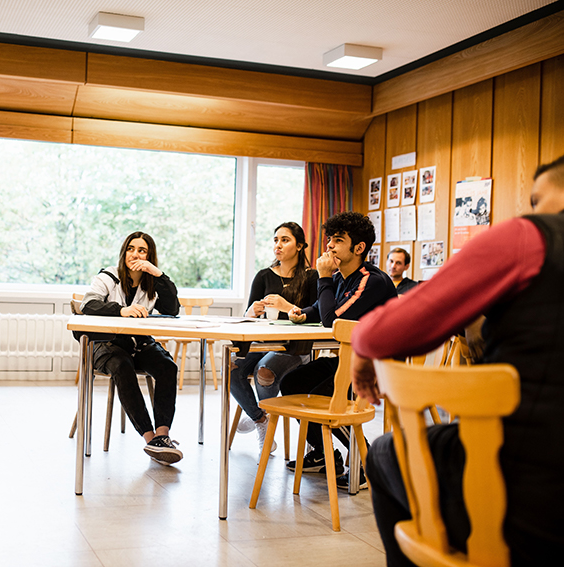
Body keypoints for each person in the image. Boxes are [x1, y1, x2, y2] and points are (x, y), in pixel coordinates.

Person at [351, 155, 564, 567]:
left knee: (382, 452)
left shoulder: (531, 237)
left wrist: (363, 345)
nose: (532, 211)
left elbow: (386, 329)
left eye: (537, 201)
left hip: (526, 501)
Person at [282, 211, 396, 487]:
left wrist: (322, 278)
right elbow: (324, 308)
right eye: (330, 239)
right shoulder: (344, 276)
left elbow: (334, 320)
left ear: (359, 248)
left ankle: (365, 462)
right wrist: (304, 312)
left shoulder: (371, 281)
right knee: (292, 383)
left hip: (378, 366)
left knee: (322, 395)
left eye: (338, 240)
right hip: (353, 358)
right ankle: (323, 455)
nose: (329, 245)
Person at [80, 231, 183, 465]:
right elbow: (88, 304)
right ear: (124, 252)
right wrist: (120, 310)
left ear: (150, 256)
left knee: (168, 367)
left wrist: (158, 274)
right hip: (107, 345)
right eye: (131, 248)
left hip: (139, 344)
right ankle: (150, 439)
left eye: (142, 250)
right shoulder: (109, 275)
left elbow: (172, 309)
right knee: (122, 366)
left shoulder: (152, 282)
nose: (135, 254)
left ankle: (162, 436)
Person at [230, 222, 318, 454]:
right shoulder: (263, 276)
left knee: (264, 371)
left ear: (299, 246)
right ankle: (261, 420)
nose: (278, 245)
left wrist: (286, 305)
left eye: (285, 240)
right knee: (230, 368)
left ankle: (257, 415)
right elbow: (248, 315)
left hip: (295, 348)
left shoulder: (311, 276)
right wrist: (252, 310)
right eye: (276, 240)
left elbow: (316, 315)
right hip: (262, 343)